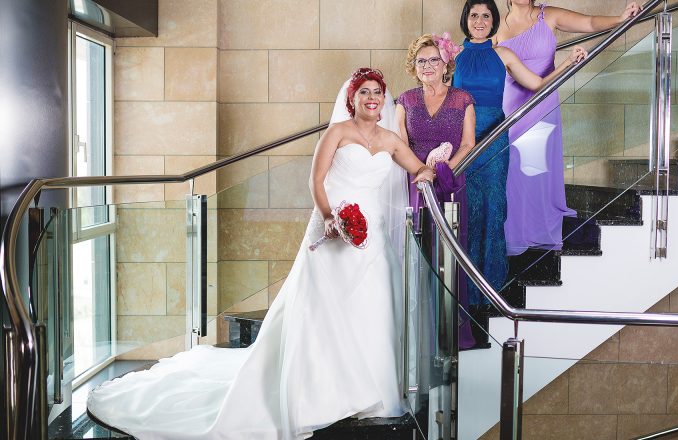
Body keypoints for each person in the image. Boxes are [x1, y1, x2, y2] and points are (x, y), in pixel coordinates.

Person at [86, 68, 435, 440]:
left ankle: (368, 389)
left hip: (372, 238)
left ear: (384, 98)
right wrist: (330, 217)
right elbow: (316, 181)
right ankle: (318, 392)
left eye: (377, 92)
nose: (372, 98)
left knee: (372, 307)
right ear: (353, 98)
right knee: (323, 308)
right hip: (333, 229)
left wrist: (430, 173)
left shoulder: (391, 140)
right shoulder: (337, 132)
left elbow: (419, 169)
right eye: (364, 91)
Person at [453, 0, 587, 310]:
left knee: (494, 207)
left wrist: (567, 63)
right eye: (474, 15)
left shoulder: (504, 54)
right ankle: (464, 288)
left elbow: (537, 83)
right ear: (466, 20)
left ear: (493, 22)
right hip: (464, 140)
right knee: (470, 209)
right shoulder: (452, 57)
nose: (480, 21)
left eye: (486, 16)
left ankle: (490, 288)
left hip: (495, 135)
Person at [496, 0, 641, 253]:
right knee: (512, 170)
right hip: (511, 106)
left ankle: (535, 230)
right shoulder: (496, 27)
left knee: (535, 168)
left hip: (542, 105)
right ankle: (513, 232)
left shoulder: (548, 16)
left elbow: (590, 23)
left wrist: (620, 19)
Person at [396, 33, 478, 349]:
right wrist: (422, 171)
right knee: (419, 252)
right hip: (415, 183)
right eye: (421, 61)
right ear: (414, 66)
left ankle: (451, 332)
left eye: (434, 59)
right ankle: (420, 333)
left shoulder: (462, 99)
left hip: (450, 182)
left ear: (446, 64)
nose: (428, 66)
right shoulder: (405, 101)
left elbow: (468, 144)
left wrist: (443, 171)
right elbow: (399, 145)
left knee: (450, 253)